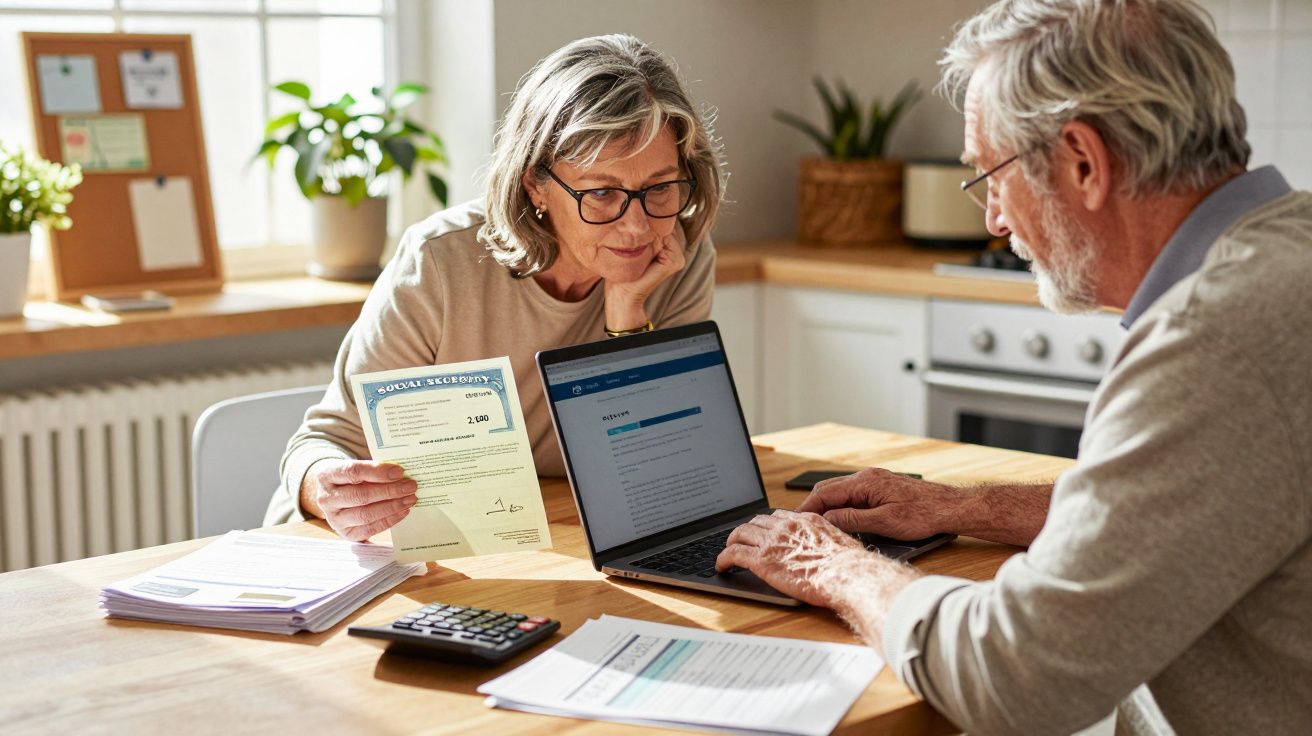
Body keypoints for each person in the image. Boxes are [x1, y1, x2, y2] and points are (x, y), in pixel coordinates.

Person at [715, 1, 1312, 733]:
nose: (994, 219)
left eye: (991, 175)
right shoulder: (1288, 251)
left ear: (1084, 162)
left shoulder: (1214, 339)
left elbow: (1016, 677)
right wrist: (959, 509)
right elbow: (1180, 505)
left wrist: (832, 567)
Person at [265, 34, 726, 542]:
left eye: (659, 187)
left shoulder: (676, 255)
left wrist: (628, 312)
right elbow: (326, 441)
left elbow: (656, 468)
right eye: (601, 193)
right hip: (379, 551)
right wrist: (326, 486)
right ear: (536, 185)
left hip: (550, 539)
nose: (638, 227)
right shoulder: (440, 262)